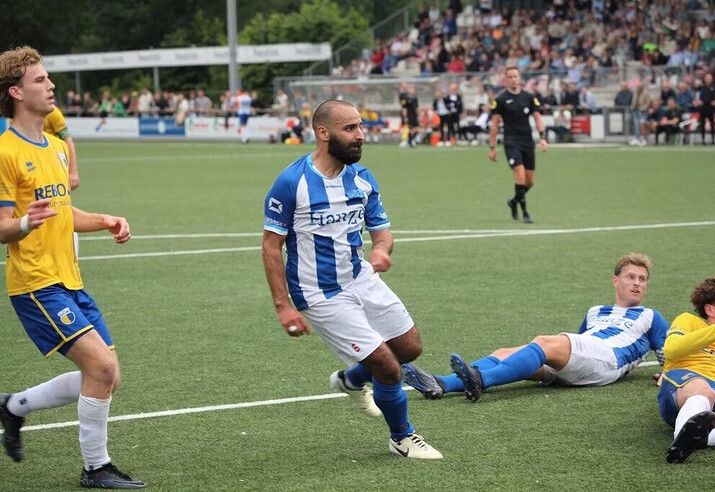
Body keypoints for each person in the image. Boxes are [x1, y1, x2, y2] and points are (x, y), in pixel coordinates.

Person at [262, 99, 442, 460]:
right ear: (323, 133)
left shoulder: (362, 179)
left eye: (360, 127)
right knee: (389, 368)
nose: (361, 136)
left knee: (409, 348)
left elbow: (382, 231)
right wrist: (283, 306)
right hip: (319, 292)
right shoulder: (291, 182)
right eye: (351, 129)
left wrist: (382, 251)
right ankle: (402, 438)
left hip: (362, 277)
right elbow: (271, 246)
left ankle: (352, 379)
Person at [0, 46, 144, 488]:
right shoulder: (4, 150)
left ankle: (12, 407)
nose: (51, 85)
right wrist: (24, 222)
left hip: (69, 277)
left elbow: (62, 211)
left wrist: (104, 220)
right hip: (35, 283)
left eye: (48, 78)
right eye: (40, 80)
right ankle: (95, 468)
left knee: (107, 375)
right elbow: (3, 226)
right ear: (16, 92)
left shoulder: (59, 147)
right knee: (100, 369)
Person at [402, 253, 667, 402]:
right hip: (585, 358)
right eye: (631, 277)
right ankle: (441, 384)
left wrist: (668, 374)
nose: (637, 283)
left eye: (643, 279)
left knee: (543, 342)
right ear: (615, 281)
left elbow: (670, 351)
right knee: (506, 352)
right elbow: (577, 343)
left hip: (609, 360)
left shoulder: (649, 316)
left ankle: (481, 381)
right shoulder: (595, 311)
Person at [658, 276, 715, 464]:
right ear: (709, 309)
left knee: (711, 394)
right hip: (684, 384)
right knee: (704, 391)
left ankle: (708, 438)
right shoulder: (690, 321)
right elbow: (671, 349)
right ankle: (680, 438)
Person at [488, 66, 548, 224]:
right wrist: (492, 148)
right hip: (511, 141)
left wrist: (542, 138)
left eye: (515, 76)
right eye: (510, 77)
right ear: (506, 79)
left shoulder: (529, 97)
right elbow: (494, 125)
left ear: (519, 78)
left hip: (527, 141)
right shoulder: (500, 100)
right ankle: (525, 213)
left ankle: (514, 201)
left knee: (530, 181)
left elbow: (537, 118)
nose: (513, 79)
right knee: (519, 174)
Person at [43, 106, 80, 190]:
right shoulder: (18, 114)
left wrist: (73, 171)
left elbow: (67, 139)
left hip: (53, 165)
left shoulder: (53, 112)